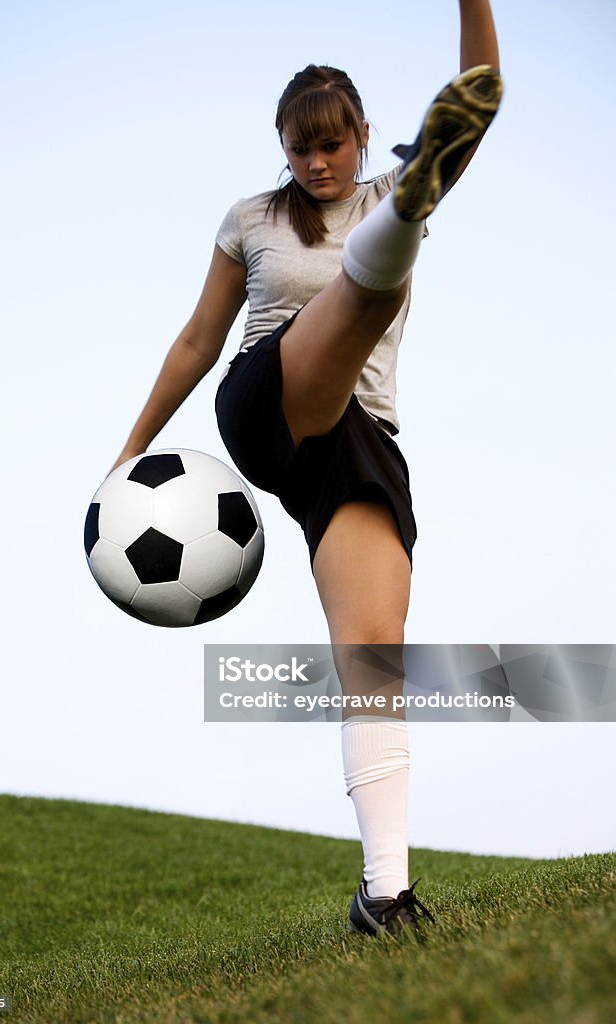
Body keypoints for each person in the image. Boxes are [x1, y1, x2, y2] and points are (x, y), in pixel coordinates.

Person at [112, 0, 502, 939]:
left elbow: (482, 100)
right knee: (361, 296)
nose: (316, 161)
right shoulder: (249, 219)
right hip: (264, 397)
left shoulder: (365, 190)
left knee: (373, 656)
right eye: (299, 148)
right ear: (281, 149)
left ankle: (386, 895)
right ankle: (412, 213)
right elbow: (198, 341)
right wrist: (129, 454)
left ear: (363, 137)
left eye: (331, 144)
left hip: (355, 446)